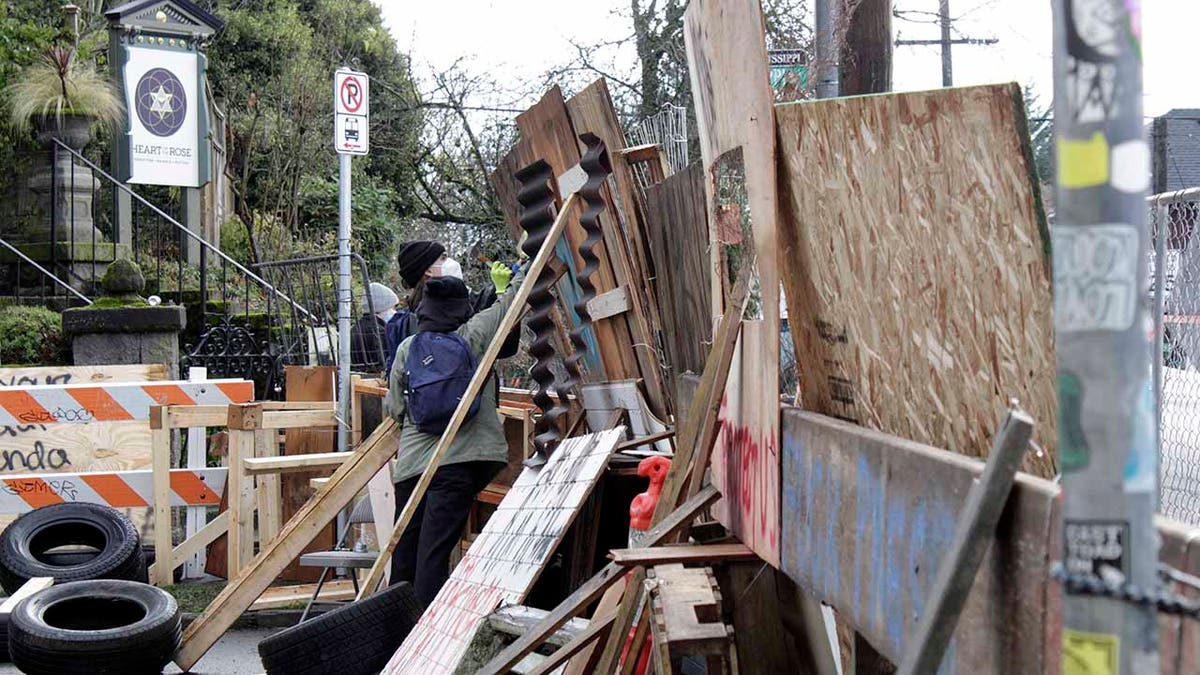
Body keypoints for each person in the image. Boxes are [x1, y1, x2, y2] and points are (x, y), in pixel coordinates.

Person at [384, 263, 526, 606]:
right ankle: (423, 636)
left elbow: (395, 409)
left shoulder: (409, 348)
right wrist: (521, 270)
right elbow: (512, 304)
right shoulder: (473, 335)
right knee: (434, 552)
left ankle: (391, 634)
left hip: (415, 467)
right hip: (462, 463)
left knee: (405, 553)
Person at [385, 240, 518, 376]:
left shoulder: (406, 320)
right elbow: (502, 347)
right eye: (443, 258)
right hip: (469, 392)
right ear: (428, 270)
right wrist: (503, 292)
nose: (451, 262)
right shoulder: (419, 320)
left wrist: (501, 288)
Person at [349, 282, 399, 373]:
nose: (395, 312)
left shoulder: (354, 329)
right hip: (375, 381)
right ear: (382, 307)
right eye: (393, 308)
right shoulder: (379, 332)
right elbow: (385, 364)